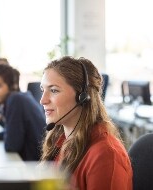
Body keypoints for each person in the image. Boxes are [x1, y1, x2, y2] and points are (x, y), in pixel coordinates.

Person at [40, 56, 133, 190]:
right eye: (43, 90)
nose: (42, 100)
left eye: (54, 90)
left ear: (82, 97)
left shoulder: (106, 155)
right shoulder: (61, 141)